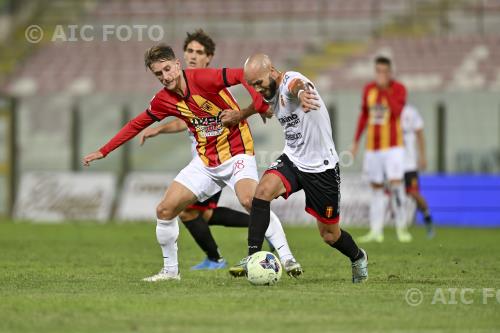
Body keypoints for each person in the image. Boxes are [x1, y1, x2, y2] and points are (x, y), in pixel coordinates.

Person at [83, 44, 302, 282]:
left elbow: (243, 74)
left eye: (167, 69)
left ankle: (287, 257)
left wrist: (255, 105)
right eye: (159, 74)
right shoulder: (163, 100)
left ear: (177, 65)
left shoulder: (204, 78)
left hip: (237, 152)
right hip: (206, 162)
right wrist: (104, 151)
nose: (165, 77)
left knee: (252, 201)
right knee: (165, 210)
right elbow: (137, 124)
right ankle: (170, 271)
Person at [139, 29, 273, 271]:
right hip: (203, 159)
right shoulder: (180, 86)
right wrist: (159, 129)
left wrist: (257, 108)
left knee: (192, 211)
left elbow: (227, 115)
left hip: (221, 157)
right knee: (197, 213)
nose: (193, 55)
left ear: (209, 58)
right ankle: (251, 231)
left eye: (199, 52)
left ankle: (231, 247)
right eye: (189, 50)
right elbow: (186, 121)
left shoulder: (210, 82)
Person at [229, 54, 368, 283]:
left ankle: (358, 256)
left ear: (272, 70)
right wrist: (241, 115)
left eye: (259, 83)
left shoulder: (290, 81)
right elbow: (260, 105)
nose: (257, 89)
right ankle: (253, 256)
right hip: (293, 159)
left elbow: (297, 86)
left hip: (322, 168)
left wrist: (303, 94)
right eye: (252, 85)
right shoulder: (269, 92)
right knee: (261, 193)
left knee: (330, 235)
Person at [351, 56, 411, 243]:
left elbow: (397, 111)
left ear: (390, 72)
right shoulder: (369, 89)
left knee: (395, 184)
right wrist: (355, 141)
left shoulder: (398, 89)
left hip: (393, 146)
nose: (381, 75)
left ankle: (402, 228)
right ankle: (376, 230)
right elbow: (364, 116)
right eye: (378, 71)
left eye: (384, 71)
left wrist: (385, 90)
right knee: (376, 188)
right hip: (373, 148)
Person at [401, 104, 434, 238]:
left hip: (409, 163)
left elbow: (420, 135)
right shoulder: (387, 109)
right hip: (392, 162)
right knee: (391, 192)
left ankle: (428, 219)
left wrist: (422, 157)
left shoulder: (411, 112)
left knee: (413, 193)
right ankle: (400, 228)